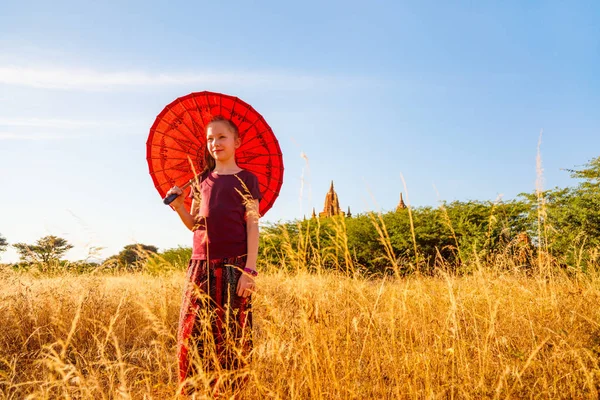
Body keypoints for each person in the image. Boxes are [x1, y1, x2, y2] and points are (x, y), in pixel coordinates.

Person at [166, 115, 261, 396]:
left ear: (236, 142)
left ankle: (229, 393)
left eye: (221, 137)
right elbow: (195, 223)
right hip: (200, 267)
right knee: (194, 334)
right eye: (209, 139)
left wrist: (250, 270)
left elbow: (253, 225)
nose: (214, 143)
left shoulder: (247, 180)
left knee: (231, 336)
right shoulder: (200, 181)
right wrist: (180, 207)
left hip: (234, 267)